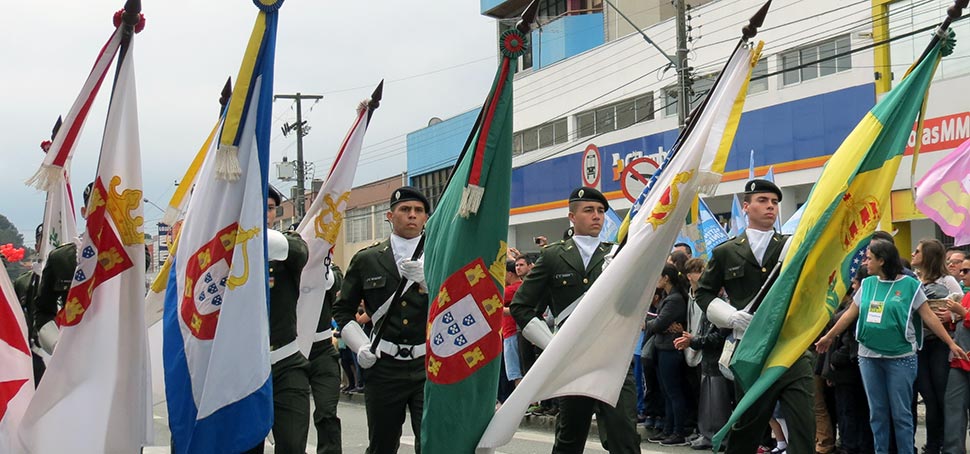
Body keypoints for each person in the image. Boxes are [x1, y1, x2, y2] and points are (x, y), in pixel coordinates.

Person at [511, 186, 639, 454]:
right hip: (572, 361)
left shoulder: (616, 255)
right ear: (572, 216)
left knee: (624, 437)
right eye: (589, 210)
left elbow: (632, 306)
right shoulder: (553, 256)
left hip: (611, 358)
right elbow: (522, 307)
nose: (597, 216)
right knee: (570, 440)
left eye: (601, 211)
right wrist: (553, 345)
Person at [695, 179, 816, 454]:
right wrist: (730, 316)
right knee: (748, 426)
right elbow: (703, 293)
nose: (770, 206)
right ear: (746, 206)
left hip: (790, 347)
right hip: (749, 350)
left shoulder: (792, 246)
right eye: (763, 201)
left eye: (774, 202)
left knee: (803, 425)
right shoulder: (726, 251)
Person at [815, 239, 968, 454]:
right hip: (869, 357)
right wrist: (829, 337)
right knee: (877, 413)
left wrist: (951, 343)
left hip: (900, 358)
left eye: (869, 258)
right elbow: (851, 314)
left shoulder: (910, 285)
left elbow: (929, 318)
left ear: (882, 260)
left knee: (901, 414)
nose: (866, 262)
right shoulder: (867, 284)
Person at [332, 186, 431, 454]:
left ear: (425, 218)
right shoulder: (367, 259)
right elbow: (343, 310)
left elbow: (456, 302)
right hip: (384, 366)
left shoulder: (439, 255)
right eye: (405, 210)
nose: (412, 215)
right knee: (382, 445)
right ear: (390, 215)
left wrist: (428, 281)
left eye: (418, 211)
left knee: (433, 444)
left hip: (428, 365)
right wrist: (360, 345)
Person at [244, 186, 311, 454]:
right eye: (257, 206)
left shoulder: (286, 243)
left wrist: (252, 232)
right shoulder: (225, 252)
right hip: (244, 368)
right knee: (247, 446)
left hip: (285, 362)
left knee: (293, 445)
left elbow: (299, 252)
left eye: (270, 208)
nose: (264, 213)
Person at [911, 238, 963, 454]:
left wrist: (948, 315)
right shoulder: (913, 281)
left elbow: (960, 305)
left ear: (929, 256)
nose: (913, 254)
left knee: (941, 395)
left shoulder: (947, 281)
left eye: (918, 251)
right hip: (919, 345)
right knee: (928, 396)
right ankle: (933, 442)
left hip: (940, 344)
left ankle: (941, 442)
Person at [34, 182, 94, 355]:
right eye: (96, 204)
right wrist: (57, 346)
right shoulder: (63, 259)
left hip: (123, 355)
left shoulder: (135, 254)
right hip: (77, 354)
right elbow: (43, 311)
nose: (102, 211)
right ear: (84, 212)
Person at [645, 264, 691, 446]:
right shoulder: (666, 298)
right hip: (662, 346)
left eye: (659, 276)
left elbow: (657, 324)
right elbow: (658, 322)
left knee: (673, 392)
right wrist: (655, 322)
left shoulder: (674, 300)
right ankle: (667, 429)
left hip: (671, 349)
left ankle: (677, 431)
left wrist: (650, 323)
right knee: (666, 391)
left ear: (666, 278)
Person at [308, 264, 343, 454]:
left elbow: (337, 281)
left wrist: (319, 264)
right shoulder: (283, 263)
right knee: (293, 423)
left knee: (327, 413)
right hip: (290, 351)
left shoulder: (329, 270)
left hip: (322, 350)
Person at [943, 256, 970, 454]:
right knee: (953, 406)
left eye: (966, 271)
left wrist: (963, 312)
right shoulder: (966, 295)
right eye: (962, 270)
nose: (961, 274)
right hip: (960, 360)